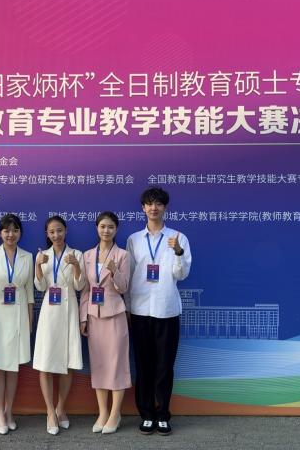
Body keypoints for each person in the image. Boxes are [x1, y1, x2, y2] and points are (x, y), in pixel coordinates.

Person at [126, 187, 192, 436]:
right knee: (143, 365)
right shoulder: (134, 239)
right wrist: (128, 308)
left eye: (159, 204)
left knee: (165, 365)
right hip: (140, 309)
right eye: (149, 204)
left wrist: (178, 252)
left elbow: (181, 274)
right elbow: (129, 276)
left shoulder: (178, 237)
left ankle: (163, 414)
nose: (154, 208)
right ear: (143, 208)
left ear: (165, 207)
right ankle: (146, 414)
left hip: (167, 309)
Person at [0, 213, 34, 435]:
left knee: (13, 366)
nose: (11, 234)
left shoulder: (27, 256)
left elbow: (29, 291)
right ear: (0, 233)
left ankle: (9, 411)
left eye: (15, 230)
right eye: (7, 230)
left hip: (19, 315)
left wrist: (30, 320)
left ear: (20, 232)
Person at [79, 211, 131, 435]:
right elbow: (85, 290)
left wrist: (114, 270)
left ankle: (115, 414)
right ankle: (102, 412)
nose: (106, 230)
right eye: (102, 226)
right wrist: (83, 317)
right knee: (99, 365)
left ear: (116, 229)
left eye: (110, 227)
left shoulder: (123, 255)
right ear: (97, 228)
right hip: (94, 317)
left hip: (116, 316)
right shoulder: (87, 255)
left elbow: (124, 287)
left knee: (117, 364)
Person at [33, 216, 85, 435]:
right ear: (47, 234)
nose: (56, 235)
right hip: (49, 310)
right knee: (45, 361)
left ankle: (61, 408)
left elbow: (80, 285)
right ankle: (50, 411)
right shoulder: (42, 255)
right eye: (52, 232)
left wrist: (75, 266)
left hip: (69, 307)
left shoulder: (77, 254)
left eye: (60, 230)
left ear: (66, 231)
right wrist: (38, 265)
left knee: (67, 360)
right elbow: (40, 286)